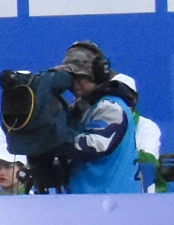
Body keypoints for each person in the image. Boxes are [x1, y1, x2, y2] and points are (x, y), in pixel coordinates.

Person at [59, 41, 144, 193]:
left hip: (114, 202)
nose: (75, 84)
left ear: (97, 74)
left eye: (81, 77)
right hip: (93, 200)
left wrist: (52, 139)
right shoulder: (84, 105)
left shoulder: (111, 106)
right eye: (71, 78)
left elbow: (92, 146)